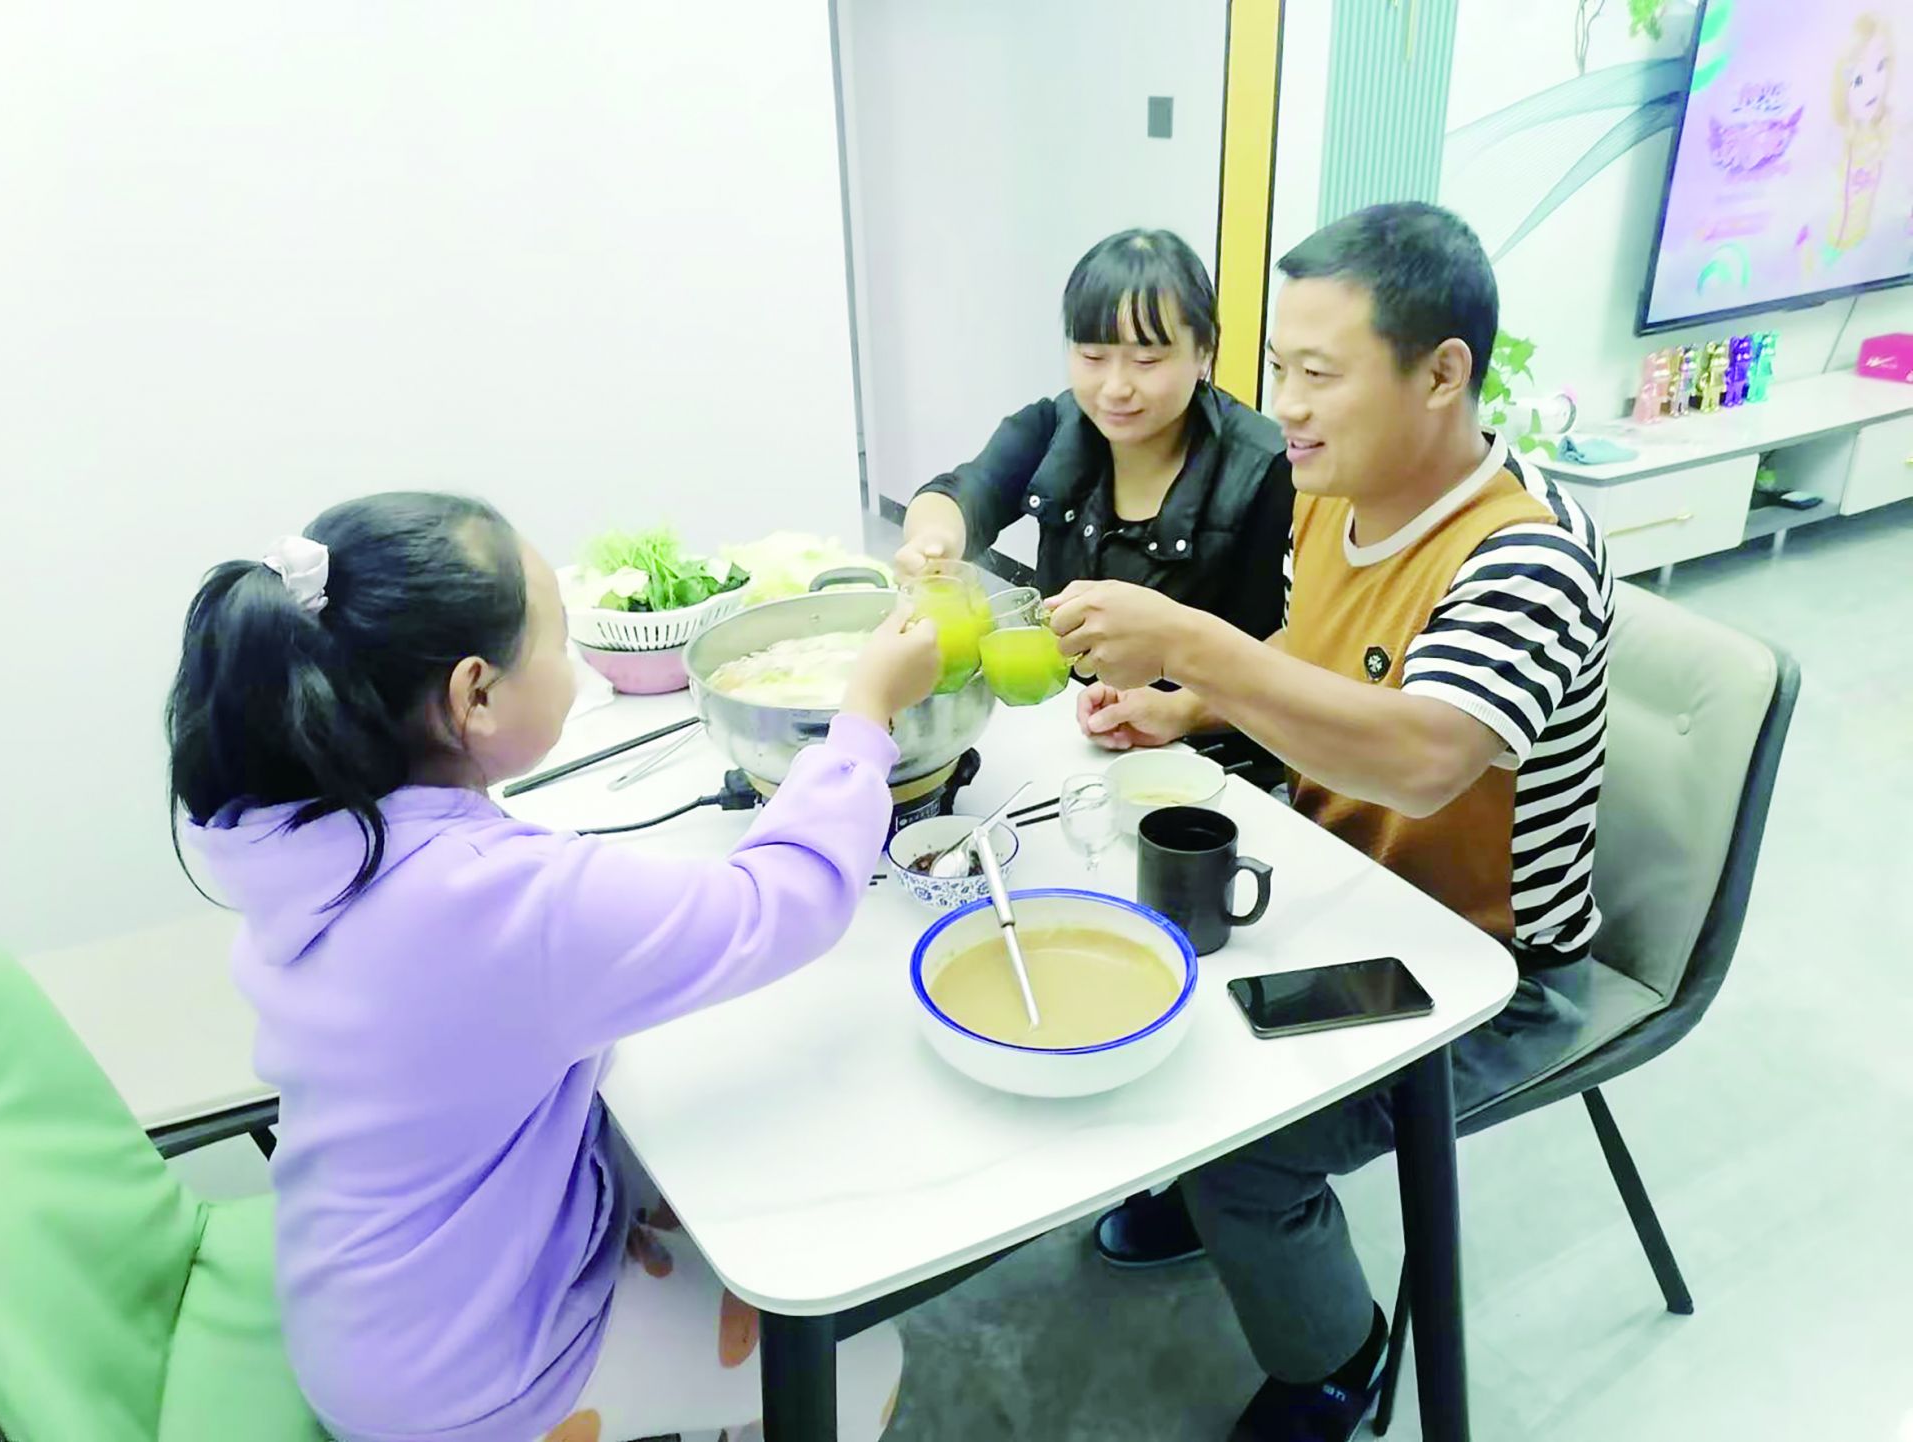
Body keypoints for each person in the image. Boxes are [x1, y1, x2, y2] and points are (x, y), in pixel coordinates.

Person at [165, 493, 942, 1442]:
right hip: (463, 1381)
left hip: (363, 1304)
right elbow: (786, 900)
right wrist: (864, 715)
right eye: (559, 645)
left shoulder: (308, 838)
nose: (572, 670)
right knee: (859, 1363)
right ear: (474, 697)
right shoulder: (498, 903)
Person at [1048, 203, 1612, 1442]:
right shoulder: (1330, 495)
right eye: (1279, 369)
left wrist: (1189, 640)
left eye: (1319, 374)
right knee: (1127, 965)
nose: (1286, 407)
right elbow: (1311, 666)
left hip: (1488, 970)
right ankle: (1210, 1186)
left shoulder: (1530, 552)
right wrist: (1184, 705)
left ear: (1441, 373)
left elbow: (1422, 759)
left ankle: (1339, 1359)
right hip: (1344, 886)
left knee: (1244, 1149)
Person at [896, 228, 1294, 781]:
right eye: (1092, 356)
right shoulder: (1056, 427)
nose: (1114, 388)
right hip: (1077, 737)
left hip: (1213, 766)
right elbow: (959, 493)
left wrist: (1182, 710)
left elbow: (1296, 649)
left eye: (1146, 360)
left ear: (1204, 352)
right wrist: (932, 542)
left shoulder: (1266, 469)